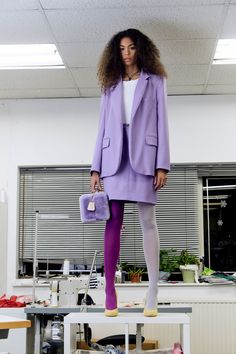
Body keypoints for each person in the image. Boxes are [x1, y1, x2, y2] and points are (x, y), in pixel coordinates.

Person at [90, 28, 170, 317]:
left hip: (145, 158)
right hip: (113, 157)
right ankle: (110, 290)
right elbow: (101, 127)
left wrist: (163, 164)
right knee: (112, 222)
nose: (126, 53)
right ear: (116, 52)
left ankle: (152, 292)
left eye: (131, 47)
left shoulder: (156, 81)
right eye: (121, 48)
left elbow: (162, 123)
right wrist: (95, 166)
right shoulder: (109, 85)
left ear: (141, 50)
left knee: (148, 221)